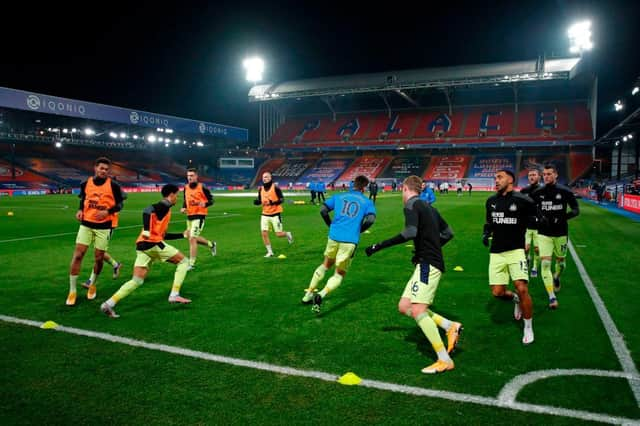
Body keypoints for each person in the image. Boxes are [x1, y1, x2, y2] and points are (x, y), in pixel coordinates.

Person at [364, 175, 459, 374]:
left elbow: (409, 233)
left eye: (402, 190)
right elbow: (448, 233)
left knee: (417, 310)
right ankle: (449, 326)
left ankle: (444, 359)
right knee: (405, 306)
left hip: (428, 265)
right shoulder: (430, 207)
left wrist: (378, 245)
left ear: (406, 188)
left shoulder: (411, 205)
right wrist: (429, 248)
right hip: (426, 262)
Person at [100, 184, 192, 318]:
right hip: (153, 244)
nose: (177, 198)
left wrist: (182, 235)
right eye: (176, 195)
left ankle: (109, 304)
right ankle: (174, 294)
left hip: (142, 246)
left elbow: (163, 235)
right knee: (184, 262)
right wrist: (148, 230)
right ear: (171, 195)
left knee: (137, 280)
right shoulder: (165, 205)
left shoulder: (166, 210)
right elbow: (147, 210)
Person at [302, 175, 376, 311]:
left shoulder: (339, 197)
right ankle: (321, 294)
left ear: (353, 185)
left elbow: (323, 210)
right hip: (350, 240)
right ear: (364, 187)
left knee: (325, 265)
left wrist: (330, 225)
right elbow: (371, 220)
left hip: (334, 237)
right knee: (339, 273)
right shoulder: (366, 202)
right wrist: (359, 229)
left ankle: (308, 293)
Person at [482, 169, 538, 344]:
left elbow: (537, 218)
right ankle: (514, 299)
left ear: (511, 180)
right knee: (497, 293)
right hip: (496, 252)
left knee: (522, 288)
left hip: (516, 251)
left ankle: (528, 327)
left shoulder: (523, 200)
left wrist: (537, 224)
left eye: (500, 177)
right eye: (495, 178)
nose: (496, 180)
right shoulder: (491, 201)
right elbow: (489, 223)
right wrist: (486, 233)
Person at [66, 157, 125, 306]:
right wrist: (80, 209)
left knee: (99, 258)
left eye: (106, 169)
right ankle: (72, 291)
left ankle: (92, 284)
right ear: (95, 168)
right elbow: (83, 199)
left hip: (104, 226)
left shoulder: (114, 185)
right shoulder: (85, 183)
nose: (104, 171)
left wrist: (108, 211)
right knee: (78, 254)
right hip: (86, 224)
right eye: (101, 168)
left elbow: (120, 204)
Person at [531, 163, 580, 309]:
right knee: (545, 263)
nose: (546, 177)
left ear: (556, 175)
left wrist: (565, 217)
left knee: (561, 263)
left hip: (560, 233)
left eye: (549, 174)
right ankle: (552, 297)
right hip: (544, 233)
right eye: (544, 174)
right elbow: (532, 209)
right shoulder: (537, 192)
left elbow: (576, 210)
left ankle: (557, 276)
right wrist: (538, 218)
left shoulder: (565, 191)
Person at [82, 193, 127, 289]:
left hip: (108, 226)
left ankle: (91, 281)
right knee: (100, 253)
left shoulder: (114, 198)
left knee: (98, 253)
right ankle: (116, 265)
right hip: (96, 224)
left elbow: (123, 196)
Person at [180, 168, 217, 270]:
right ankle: (211, 244)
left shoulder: (202, 187)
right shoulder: (186, 187)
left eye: (192, 175)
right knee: (190, 236)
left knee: (192, 238)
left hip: (199, 215)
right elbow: (185, 200)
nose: (189, 177)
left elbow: (212, 200)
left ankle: (191, 264)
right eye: (188, 176)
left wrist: (205, 203)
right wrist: (183, 207)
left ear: (196, 176)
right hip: (189, 216)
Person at [254, 171, 293, 257]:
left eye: (267, 177)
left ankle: (287, 234)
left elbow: (282, 199)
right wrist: (257, 202)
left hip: (275, 214)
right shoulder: (260, 189)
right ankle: (270, 252)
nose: (265, 178)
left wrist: (273, 203)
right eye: (264, 177)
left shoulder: (275, 188)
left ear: (270, 178)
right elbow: (260, 200)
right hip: (264, 214)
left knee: (278, 234)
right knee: (264, 233)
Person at [520, 167, 542, 277]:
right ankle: (527, 259)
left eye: (534, 175)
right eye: (530, 175)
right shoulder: (524, 191)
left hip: (539, 227)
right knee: (526, 249)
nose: (532, 177)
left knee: (538, 250)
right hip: (527, 225)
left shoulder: (544, 190)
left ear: (539, 176)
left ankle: (534, 267)